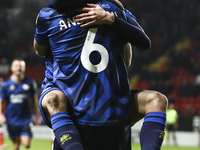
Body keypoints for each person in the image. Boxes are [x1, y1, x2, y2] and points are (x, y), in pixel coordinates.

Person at [34, 1, 168, 150]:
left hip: (84, 107)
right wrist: (112, 20)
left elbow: (39, 50)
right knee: (156, 101)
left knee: (55, 100)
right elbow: (131, 57)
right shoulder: (114, 9)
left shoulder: (48, 15)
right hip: (106, 105)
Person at [0, 58, 40, 150]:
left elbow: (34, 101)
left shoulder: (30, 82)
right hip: (11, 119)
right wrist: (0, 115)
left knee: (27, 144)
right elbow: (1, 101)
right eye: (16, 66)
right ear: (12, 68)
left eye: (21, 66)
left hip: (25, 119)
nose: (19, 68)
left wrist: (37, 116)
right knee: (16, 144)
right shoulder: (6, 84)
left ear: (24, 68)